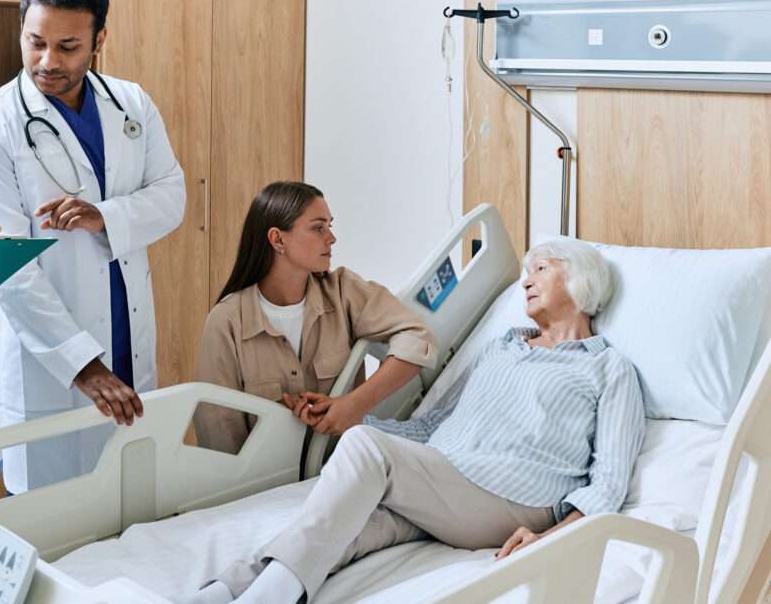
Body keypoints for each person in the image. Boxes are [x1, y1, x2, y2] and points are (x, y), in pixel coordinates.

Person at [187, 238, 646, 604]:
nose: (527, 280)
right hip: (448, 487)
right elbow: (435, 426)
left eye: (541, 269)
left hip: (518, 499)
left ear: (582, 278)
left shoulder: (606, 368)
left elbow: (608, 482)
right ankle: (228, 590)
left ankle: (271, 599)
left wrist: (550, 537)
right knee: (343, 525)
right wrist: (346, 420)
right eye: (525, 272)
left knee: (367, 449)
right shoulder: (502, 347)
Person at [0, 0, 186, 493]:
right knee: (49, 508)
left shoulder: (132, 104)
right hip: (49, 357)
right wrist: (81, 366)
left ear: (99, 40)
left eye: (67, 46)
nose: (47, 62)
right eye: (35, 43)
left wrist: (104, 215)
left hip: (125, 332)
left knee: (128, 499)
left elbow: (172, 197)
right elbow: (4, 263)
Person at [193, 181, 436, 455]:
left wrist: (355, 404)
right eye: (318, 228)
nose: (331, 238)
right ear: (278, 239)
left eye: (329, 226)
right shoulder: (227, 322)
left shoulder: (344, 292)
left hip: (345, 466)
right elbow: (219, 435)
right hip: (261, 487)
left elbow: (418, 338)